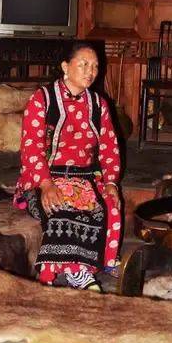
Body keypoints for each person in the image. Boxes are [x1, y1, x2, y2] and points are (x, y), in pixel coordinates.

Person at [14, 44, 122, 292]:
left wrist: (111, 182)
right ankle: (74, 272)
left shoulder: (98, 104)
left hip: (85, 176)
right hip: (45, 176)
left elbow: (109, 147)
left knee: (108, 205)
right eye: (83, 64)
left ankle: (94, 264)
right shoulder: (42, 99)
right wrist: (46, 184)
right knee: (62, 206)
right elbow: (31, 147)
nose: (90, 71)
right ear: (65, 66)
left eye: (95, 66)